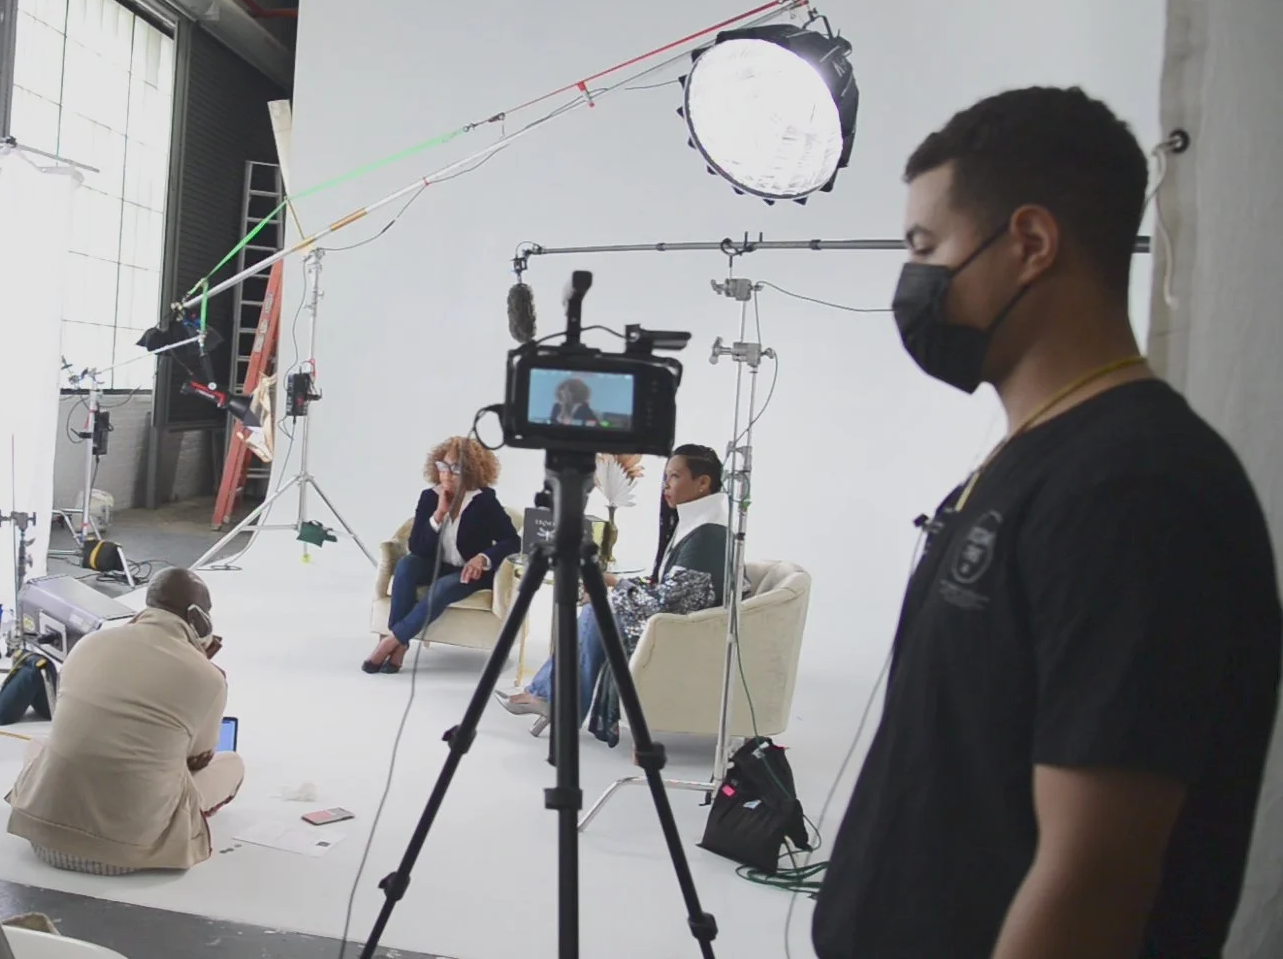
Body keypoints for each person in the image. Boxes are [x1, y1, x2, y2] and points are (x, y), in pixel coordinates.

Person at [813, 87, 1280, 959]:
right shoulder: (1036, 460)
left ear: (1029, 243)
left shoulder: (1136, 491)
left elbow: (1094, 877)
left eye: (926, 247)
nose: (912, 281)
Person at [6, 568, 241, 874]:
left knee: (40, 746)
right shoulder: (208, 678)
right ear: (198, 616)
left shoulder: (88, 644)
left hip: (45, 838)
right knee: (232, 764)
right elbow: (197, 759)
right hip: (129, 851)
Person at [496, 445, 728, 741]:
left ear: (703, 483)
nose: (666, 485)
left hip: (679, 634)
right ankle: (545, 694)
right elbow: (667, 592)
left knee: (598, 610)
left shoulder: (707, 534)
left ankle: (548, 697)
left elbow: (668, 603)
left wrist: (613, 584)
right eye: (665, 476)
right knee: (597, 607)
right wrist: (611, 585)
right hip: (672, 624)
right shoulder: (697, 525)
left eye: (674, 476)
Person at [363, 436, 523, 674]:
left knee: (442, 588)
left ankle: (391, 640)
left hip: (469, 571)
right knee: (406, 566)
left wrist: (483, 558)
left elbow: (512, 541)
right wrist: (439, 514)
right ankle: (401, 643)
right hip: (436, 564)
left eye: (455, 467)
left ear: (470, 470)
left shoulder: (484, 501)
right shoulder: (430, 497)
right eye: (443, 466)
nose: (447, 473)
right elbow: (418, 547)